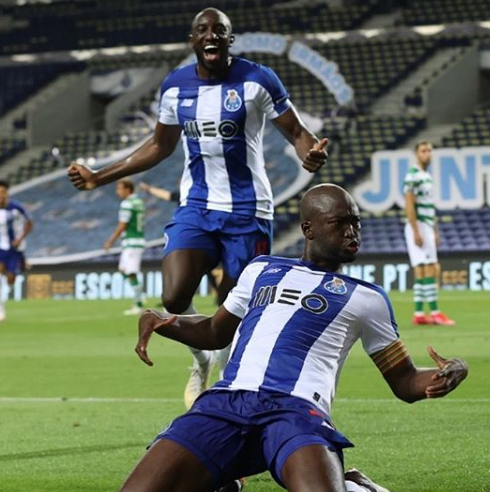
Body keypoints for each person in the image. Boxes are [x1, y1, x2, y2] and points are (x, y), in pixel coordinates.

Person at [112, 184, 469, 492]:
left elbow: (404, 381)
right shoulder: (261, 270)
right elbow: (214, 332)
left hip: (296, 413)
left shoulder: (368, 298)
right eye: (339, 223)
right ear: (308, 229)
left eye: (356, 223)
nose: (352, 232)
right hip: (226, 402)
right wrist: (165, 322)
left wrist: (445, 375)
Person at [68, 7, 328, 407]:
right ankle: (200, 360)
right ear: (192, 40)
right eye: (203, 30)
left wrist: (309, 153)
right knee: (173, 296)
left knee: (232, 310)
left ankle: (222, 365)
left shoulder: (257, 79)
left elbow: (297, 132)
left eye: (220, 30)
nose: (211, 36)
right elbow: (160, 145)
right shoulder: (175, 87)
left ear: (229, 39)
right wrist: (99, 176)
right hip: (197, 206)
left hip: (248, 211)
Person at [140, 180, 235, 404]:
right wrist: (149, 189)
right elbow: (168, 194)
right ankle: (202, 361)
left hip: (240, 218)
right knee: (174, 297)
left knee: (232, 302)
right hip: (197, 225)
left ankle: (226, 383)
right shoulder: (192, 190)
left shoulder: (240, 179)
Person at [403, 141, 455, 326]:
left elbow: (429, 207)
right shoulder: (413, 175)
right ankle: (435, 313)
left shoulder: (426, 176)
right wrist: (416, 230)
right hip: (419, 226)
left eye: (430, 150)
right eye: (423, 151)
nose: (428, 154)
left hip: (426, 225)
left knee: (425, 269)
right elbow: (409, 203)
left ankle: (419, 314)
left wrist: (435, 230)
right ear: (417, 154)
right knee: (428, 268)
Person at [104, 179, 146, 315]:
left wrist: (110, 241)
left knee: (130, 273)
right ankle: (140, 293)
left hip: (132, 242)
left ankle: (139, 304)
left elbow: (123, 225)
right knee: (123, 269)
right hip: (136, 241)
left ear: (128, 189)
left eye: (119, 189)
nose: (118, 192)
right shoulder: (138, 202)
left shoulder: (127, 204)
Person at [0, 180, 33, 322]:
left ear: (7, 192)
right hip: (0, 247)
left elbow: (30, 223)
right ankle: (0, 309)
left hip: (14, 248)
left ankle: (21, 264)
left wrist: (20, 238)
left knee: (11, 278)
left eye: (2, 192)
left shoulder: (16, 208)